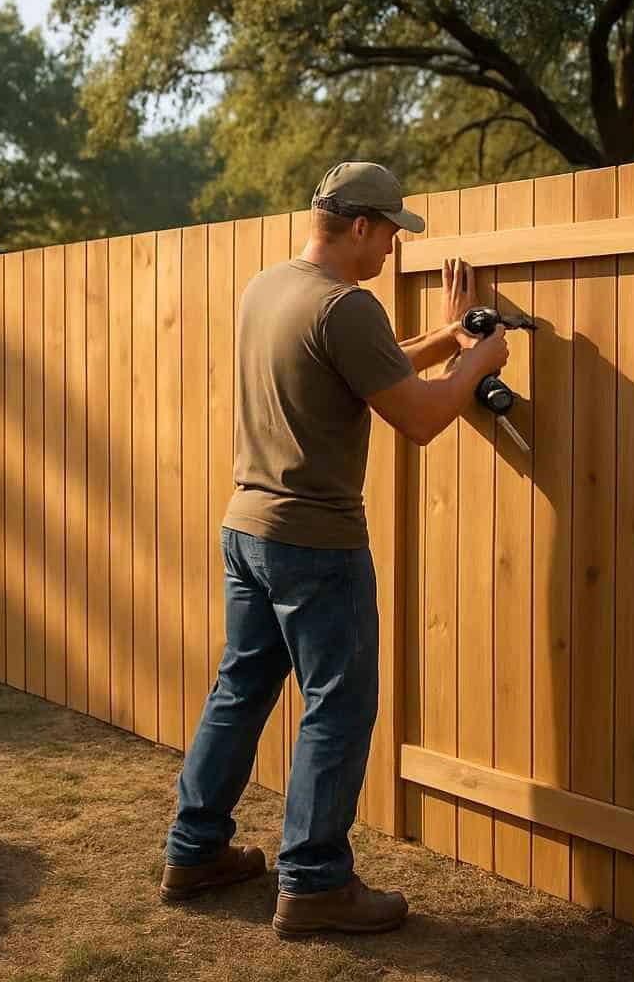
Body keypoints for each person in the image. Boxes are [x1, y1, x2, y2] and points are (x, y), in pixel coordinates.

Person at [158, 161, 511, 937]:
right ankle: (315, 883)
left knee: (240, 689)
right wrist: (476, 364)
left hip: (248, 529)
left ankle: (194, 850)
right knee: (338, 708)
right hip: (315, 544)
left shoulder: (271, 287)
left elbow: (366, 372)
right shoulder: (347, 307)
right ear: (359, 226)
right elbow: (416, 418)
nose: (392, 248)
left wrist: (449, 337)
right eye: (389, 232)